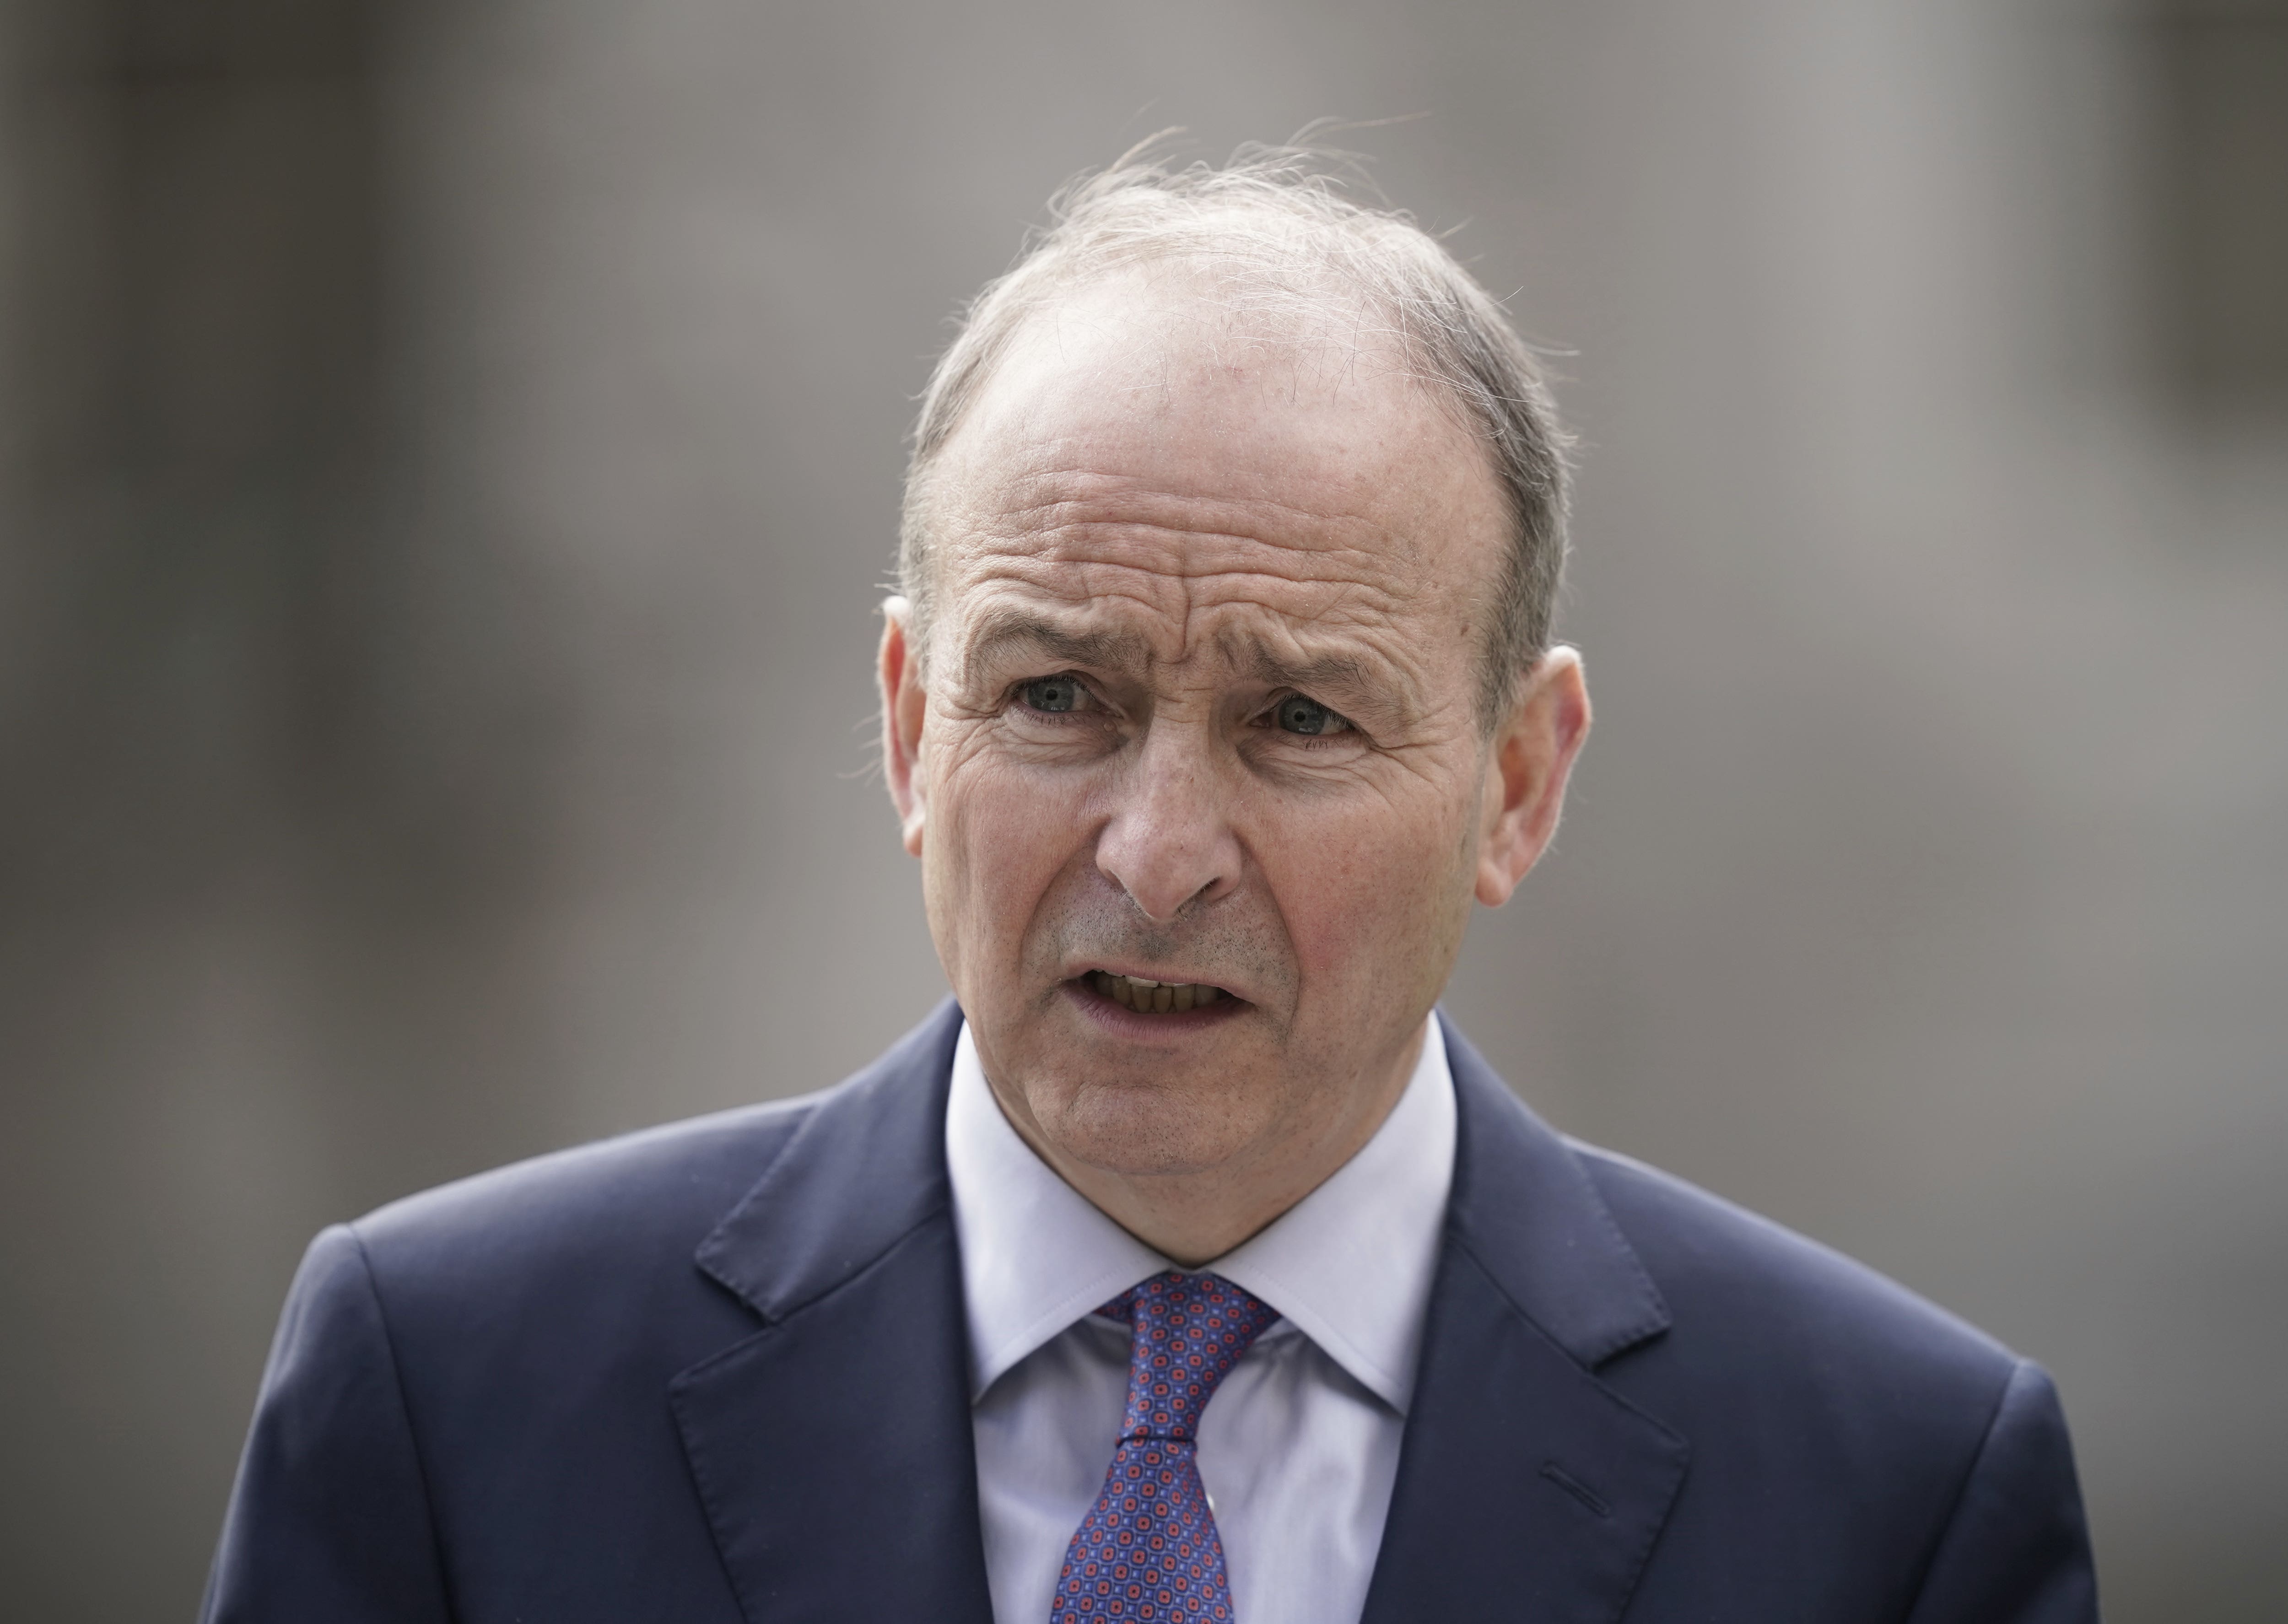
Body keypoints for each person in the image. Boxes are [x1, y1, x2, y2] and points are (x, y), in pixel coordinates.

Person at [202, 150, 2099, 1624]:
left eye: (1294, 718)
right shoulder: (448, 1395)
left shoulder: (1888, 1495)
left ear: (1516, 783)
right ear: (903, 730)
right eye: (1055, 698)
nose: (1156, 851)